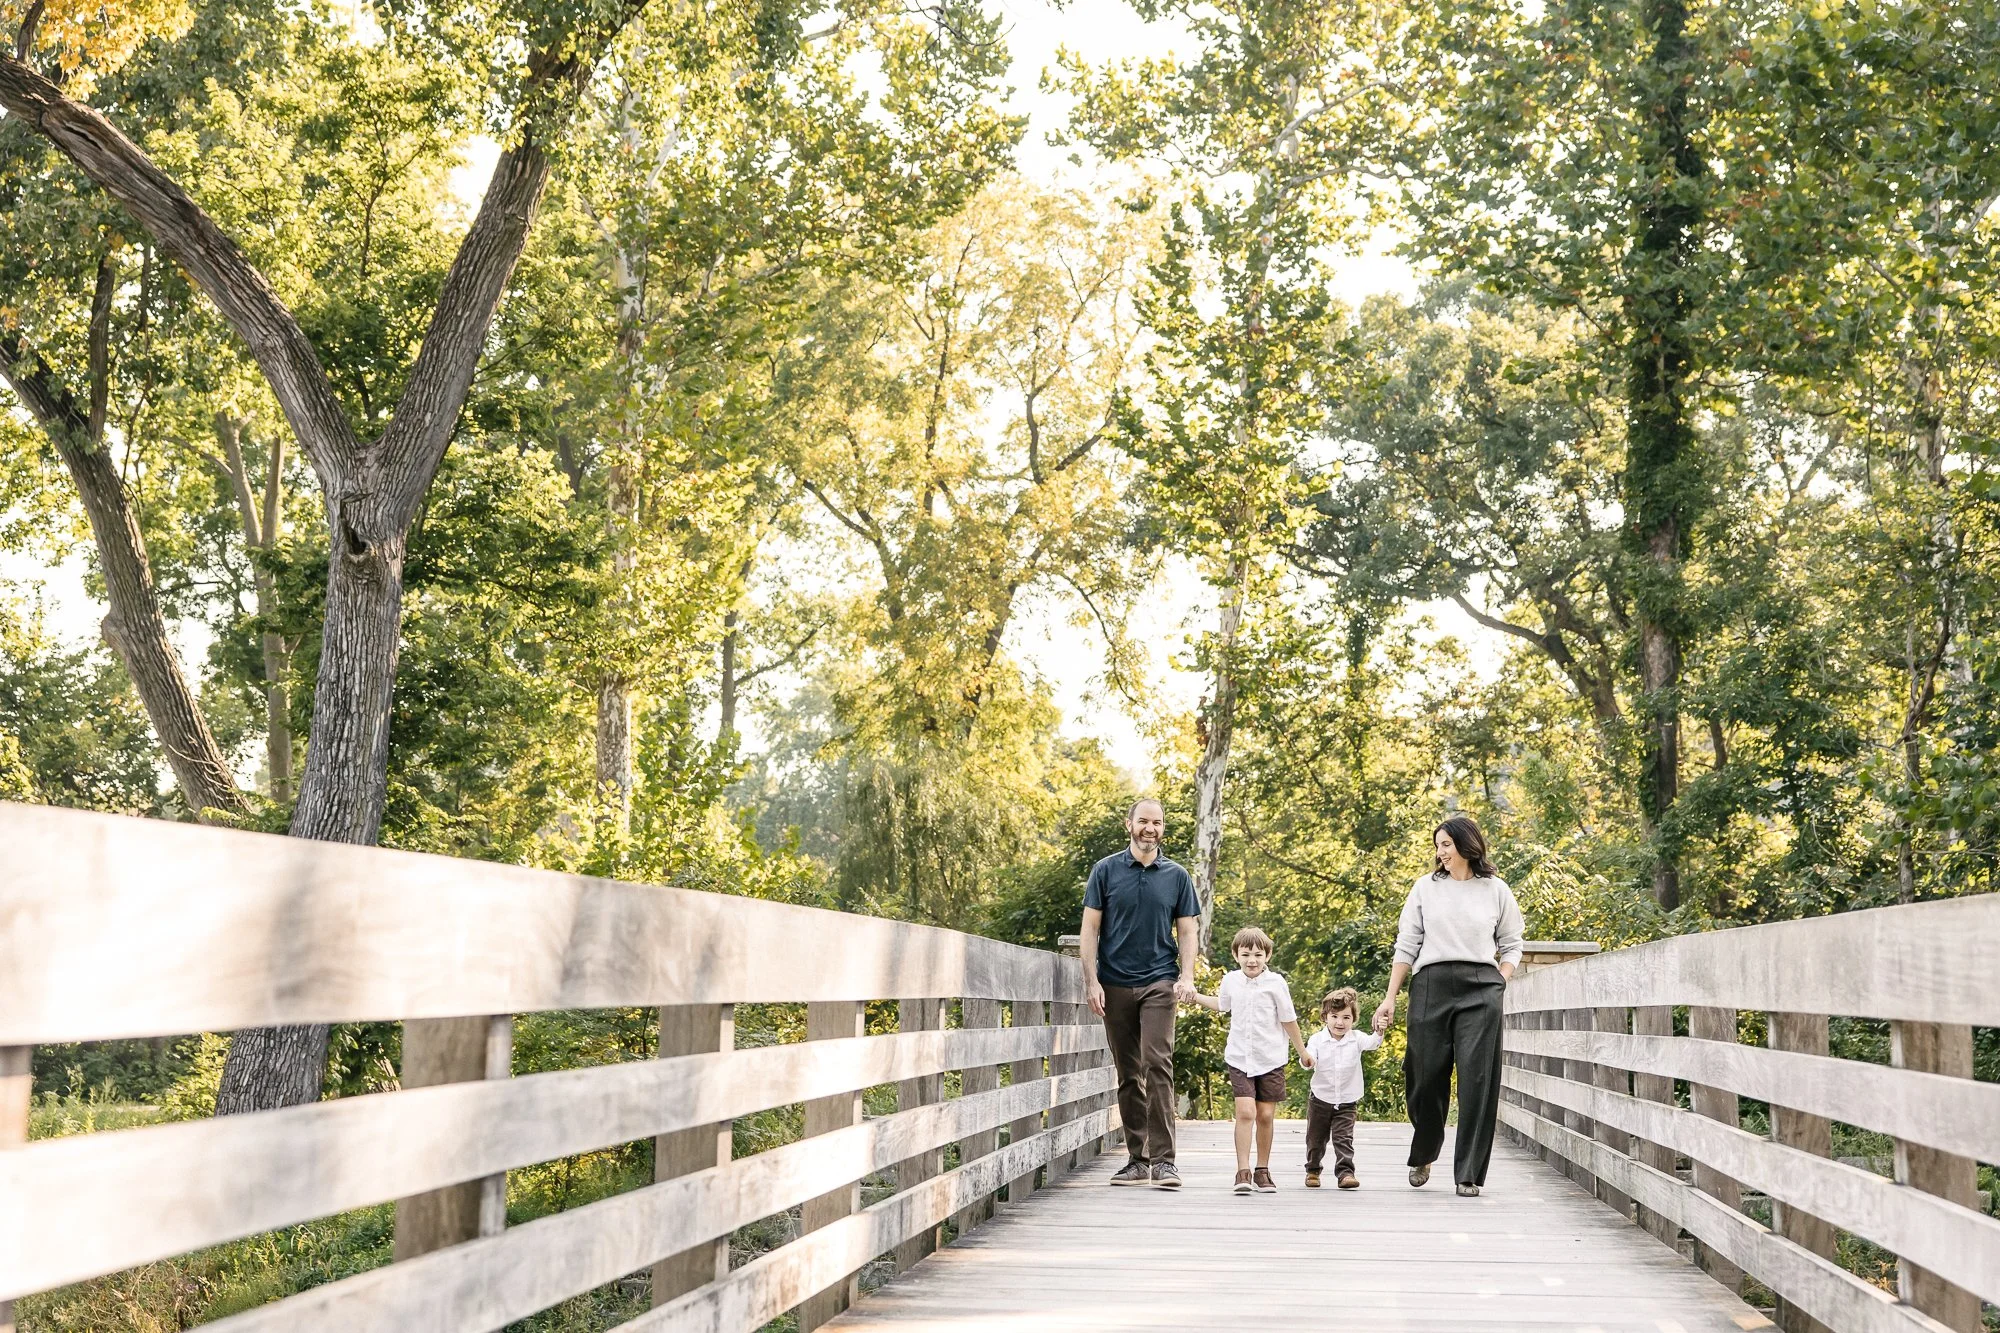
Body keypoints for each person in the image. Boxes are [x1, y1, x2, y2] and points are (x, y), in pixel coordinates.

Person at [1373, 814, 1524, 1197]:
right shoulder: (1425, 888)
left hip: (1481, 989)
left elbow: (1512, 942)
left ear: (1466, 845)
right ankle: (1424, 1151)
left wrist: (1499, 981)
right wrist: (1390, 997)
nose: (1440, 852)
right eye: (1437, 845)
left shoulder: (1495, 889)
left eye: (1446, 844)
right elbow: (1406, 944)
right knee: (1423, 1075)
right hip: (1431, 986)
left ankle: (1468, 1173)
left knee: (1477, 1079)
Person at [1081, 797, 1200, 1189]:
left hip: (1159, 982)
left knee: (1157, 1064)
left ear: (1163, 829)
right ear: (1129, 824)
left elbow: (1187, 931)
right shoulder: (1105, 871)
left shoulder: (1177, 876)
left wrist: (1187, 976)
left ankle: (1165, 1162)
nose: (1151, 829)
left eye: (1158, 823)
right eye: (1144, 822)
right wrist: (1091, 981)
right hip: (1114, 983)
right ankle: (1138, 1159)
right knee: (1129, 1073)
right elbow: (1090, 931)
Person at [1188, 926, 1312, 1194]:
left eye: (1258, 954)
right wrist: (1194, 996)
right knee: (1246, 1112)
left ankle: (1262, 1170)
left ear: (1267, 955)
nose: (1252, 960)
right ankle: (1242, 1171)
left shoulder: (1276, 983)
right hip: (1240, 1057)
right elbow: (1222, 1004)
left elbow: (1288, 1019)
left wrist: (1302, 1051)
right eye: (1246, 954)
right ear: (1236, 955)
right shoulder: (1231, 980)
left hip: (1271, 1058)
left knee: (1265, 1115)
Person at [1303, 987, 1382, 1190]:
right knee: (1315, 1139)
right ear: (1325, 1017)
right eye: (1334, 1016)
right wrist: (1308, 1061)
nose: (1340, 1022)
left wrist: (1379, 1031)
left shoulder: (1356, 1038)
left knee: (1344, 1138)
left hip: (1347, 1100)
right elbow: (1309, 1056)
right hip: (1320, 1099)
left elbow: (1373, 1043)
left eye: (1346, 1017)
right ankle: (1312, 1170)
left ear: (1353, 1019)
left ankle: (1346, 1173)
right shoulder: (1317, 1040)